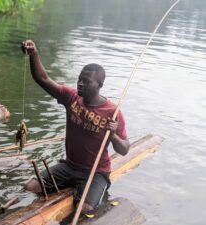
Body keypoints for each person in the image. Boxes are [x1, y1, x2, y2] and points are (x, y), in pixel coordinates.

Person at [22, 40, 130, 213]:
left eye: (86, 81)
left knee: (85, 210)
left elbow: (124, 149)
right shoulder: (71, 98)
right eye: (79, 79)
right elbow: (42, 79)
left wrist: (113, 135)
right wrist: (34, 54)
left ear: (99, 85)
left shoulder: (112, 112)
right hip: (69, 166)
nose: (80, 84)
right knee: (31, 187)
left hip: (95, 173)